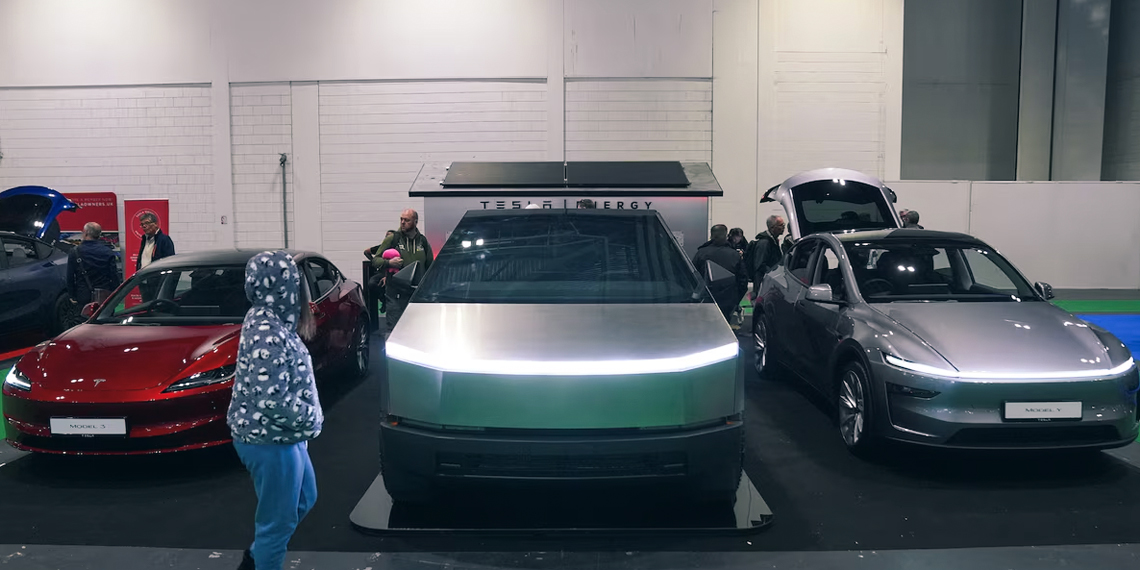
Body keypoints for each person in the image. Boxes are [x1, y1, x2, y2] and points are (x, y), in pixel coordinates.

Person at [229, 251, 322, 570]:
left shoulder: (275, 322)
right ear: (287, 286)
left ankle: (255, 560)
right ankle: (261, 562)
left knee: (304, 499)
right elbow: (271, 398)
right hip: (268, 438)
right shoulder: (265, 329)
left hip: (284, 435)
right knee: (277, 524)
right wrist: (312, 419)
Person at [365, 209, 434, 333]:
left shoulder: (423, 241)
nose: (402, 222)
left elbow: (430, 267)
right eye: (401, 219)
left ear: (415, 222)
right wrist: (389, 263)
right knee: (394, 330)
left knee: (417, 329)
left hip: (416, 294)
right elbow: (376, 260)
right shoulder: (393, 239)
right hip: (395, 294)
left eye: (406, 220)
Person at [692, 225, 749, 324]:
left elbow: (693, 277)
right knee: (724, 324)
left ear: (711, 236)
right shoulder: (734, 255)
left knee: (705, 325)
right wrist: (736, 299)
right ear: (726, 236)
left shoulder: (701, 253)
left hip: (706, 298)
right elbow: (743, 280)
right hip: (728, 299)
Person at [66, 222, 122, 308]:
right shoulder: (107, 251)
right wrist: (115, 293)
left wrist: (71, 295)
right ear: (99, 234)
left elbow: (70, 276)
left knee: (84, 316)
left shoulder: (75, 251)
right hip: (104, 294)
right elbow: (114, 275)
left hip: (83, 294)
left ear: (86, 233)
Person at [744, 215, 786, 299]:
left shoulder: (772, 241)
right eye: (781, 225)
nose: (783, 227)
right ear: (772, 227)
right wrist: (774, 274)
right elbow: (760, 265)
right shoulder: (764, 243)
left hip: (769, 283)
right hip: (763, 284)